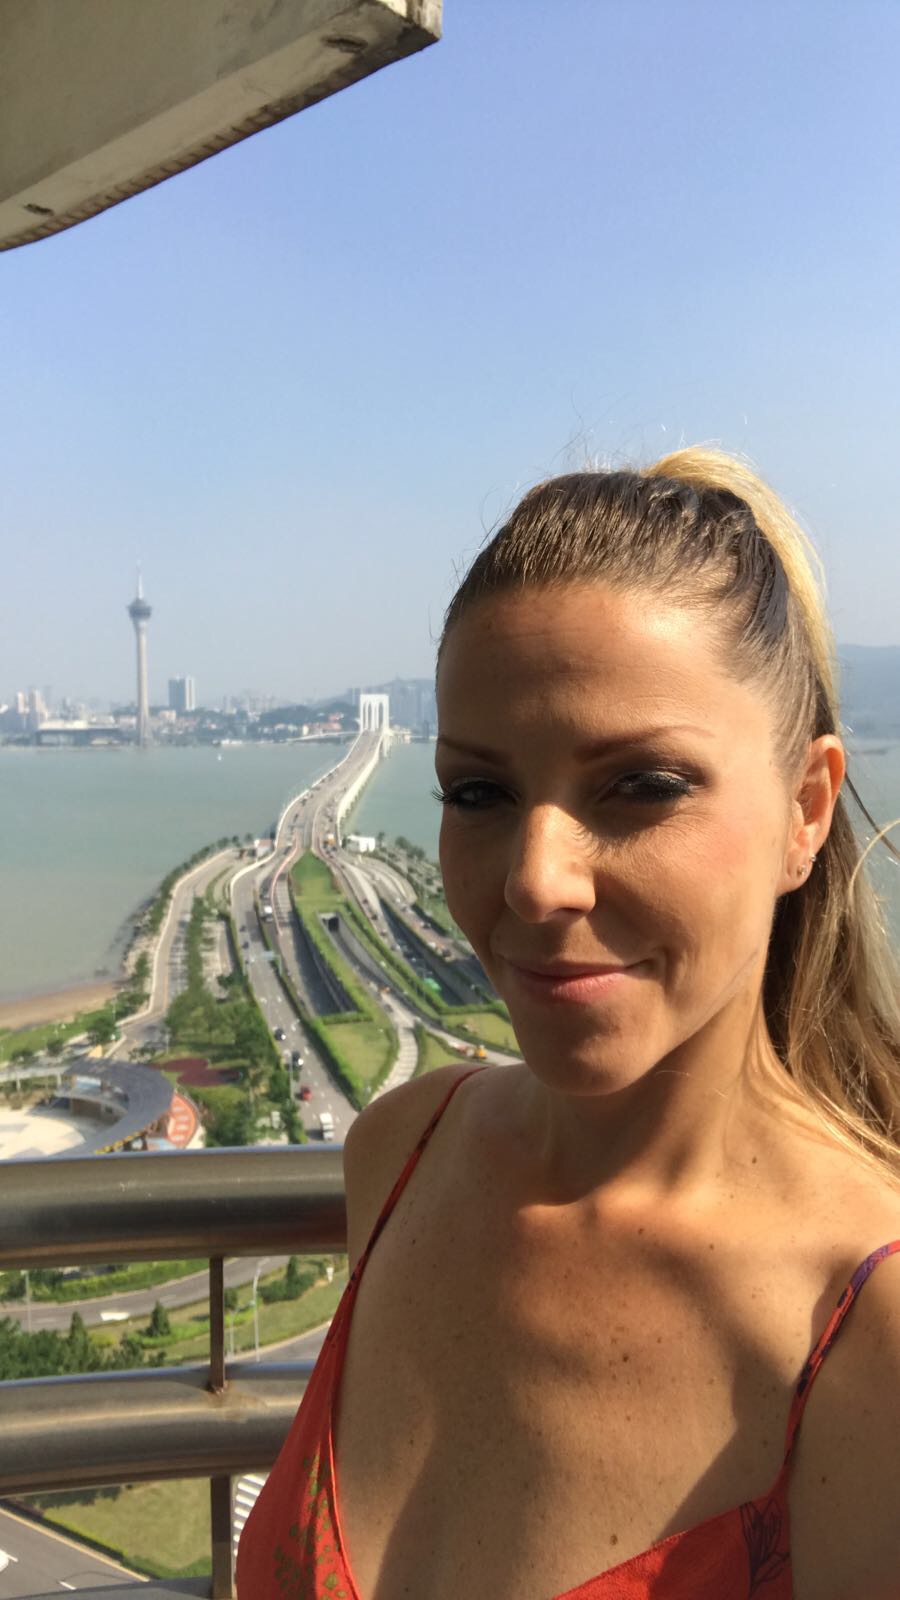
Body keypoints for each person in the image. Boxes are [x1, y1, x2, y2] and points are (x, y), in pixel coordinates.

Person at [237, 449, 900, 1600]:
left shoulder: (868, 1340)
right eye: (479, 792)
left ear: (806, 810)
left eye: (642, 784)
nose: (536, 881)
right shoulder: (399, 1150)